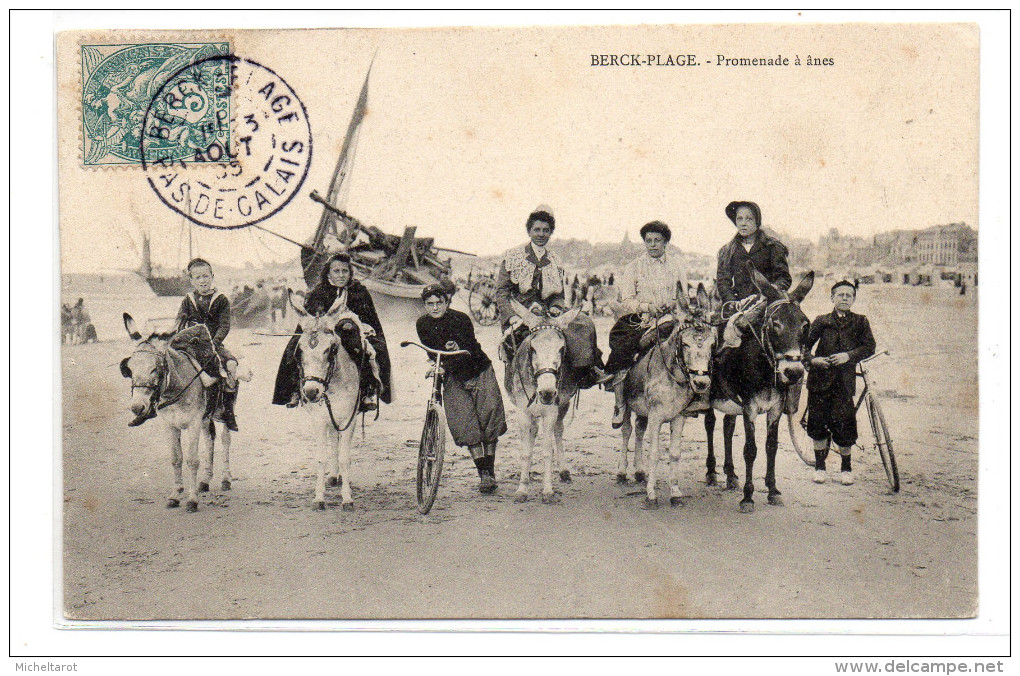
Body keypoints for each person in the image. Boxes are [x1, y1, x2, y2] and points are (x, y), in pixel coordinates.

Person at [494, 205, 611, 388]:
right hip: (522, 314)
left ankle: (586, 371)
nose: (541, 234)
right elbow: (501, 292)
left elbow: (558, 294)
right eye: (537, 230)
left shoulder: (555, 260)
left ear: (551, 232)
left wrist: (557, 306)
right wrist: (513, 317)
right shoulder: (513, 257)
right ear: (529, 231)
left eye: (546, 230)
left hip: (550, 314)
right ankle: (515, 383)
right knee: (512, 344)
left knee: (584, 323)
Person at [272, 253, 393, 411]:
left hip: (353, 333)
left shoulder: (359, 291)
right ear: (328, 272)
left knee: (376, 350)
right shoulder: (318, 292)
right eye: (337, 271)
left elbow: (371, 319)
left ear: (350, 273)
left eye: (345, 271)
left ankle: (369, 390)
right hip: (322, 332)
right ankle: (294, 390)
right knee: (293, 348)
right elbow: (309, 316)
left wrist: (361, 326)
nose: (341, 275)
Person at [415, 284, 507, 493]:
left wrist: (457, 348)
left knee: (489, 419)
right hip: (452, 376)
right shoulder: (422, 324)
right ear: (425, 305)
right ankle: (483, 473)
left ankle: (490, 470)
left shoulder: (461, 318)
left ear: (447, 302)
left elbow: (470, 345)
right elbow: (431, 351)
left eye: (439, 303)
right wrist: (438, 366)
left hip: (478, 370)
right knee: (464, 423)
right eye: (430, 304)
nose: (435, 307)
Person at [130, 258, 240, 430]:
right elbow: (179, 321)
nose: (203, 280)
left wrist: (214, 342)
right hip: (190, 344)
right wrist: (169, 337)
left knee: (231, 366)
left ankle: (227, 412)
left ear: (212, 276)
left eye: (206, 276)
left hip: (213, 344)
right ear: (191, 280)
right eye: (198, 277)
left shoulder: (221, 300)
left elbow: (224, 325)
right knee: (162, 365)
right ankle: (150, 407)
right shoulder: (188, 300)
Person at [605, 221, 690, 427]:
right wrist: (646, 306)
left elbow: (683, 296)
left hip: (670, 318)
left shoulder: (677, 266)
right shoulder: (634, 267)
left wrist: (671, 304)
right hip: (640, 319)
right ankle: (620, 403)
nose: (652, 245)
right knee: (622, 348)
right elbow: (627, 300)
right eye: (648, 241)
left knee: (694, 345)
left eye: (657, 241)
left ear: (666, 242)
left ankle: (693, 398)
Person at [805, 279, 876, 485]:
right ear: (832, 298)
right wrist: (812, 360)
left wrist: (848, 356)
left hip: (844, 383)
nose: (844, 298)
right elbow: (804, 347)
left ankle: (846, 468)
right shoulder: (821, 321)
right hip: (819, 381)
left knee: (845, 424)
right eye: (840, 295)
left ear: (853, 299)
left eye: (849, 295)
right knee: (817, 423)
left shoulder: (861, 322)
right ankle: (820, 467)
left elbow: (869, 346)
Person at [715, 201, 792, 304]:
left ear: (757, 222)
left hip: (769, 303)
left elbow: (783, 276)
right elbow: (723, 282)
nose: (743, 223)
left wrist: (774, 289)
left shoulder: (772, 247)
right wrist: (732, 302)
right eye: (739, 219)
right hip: (740, 305)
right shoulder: (727, 250)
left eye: (749, 219)